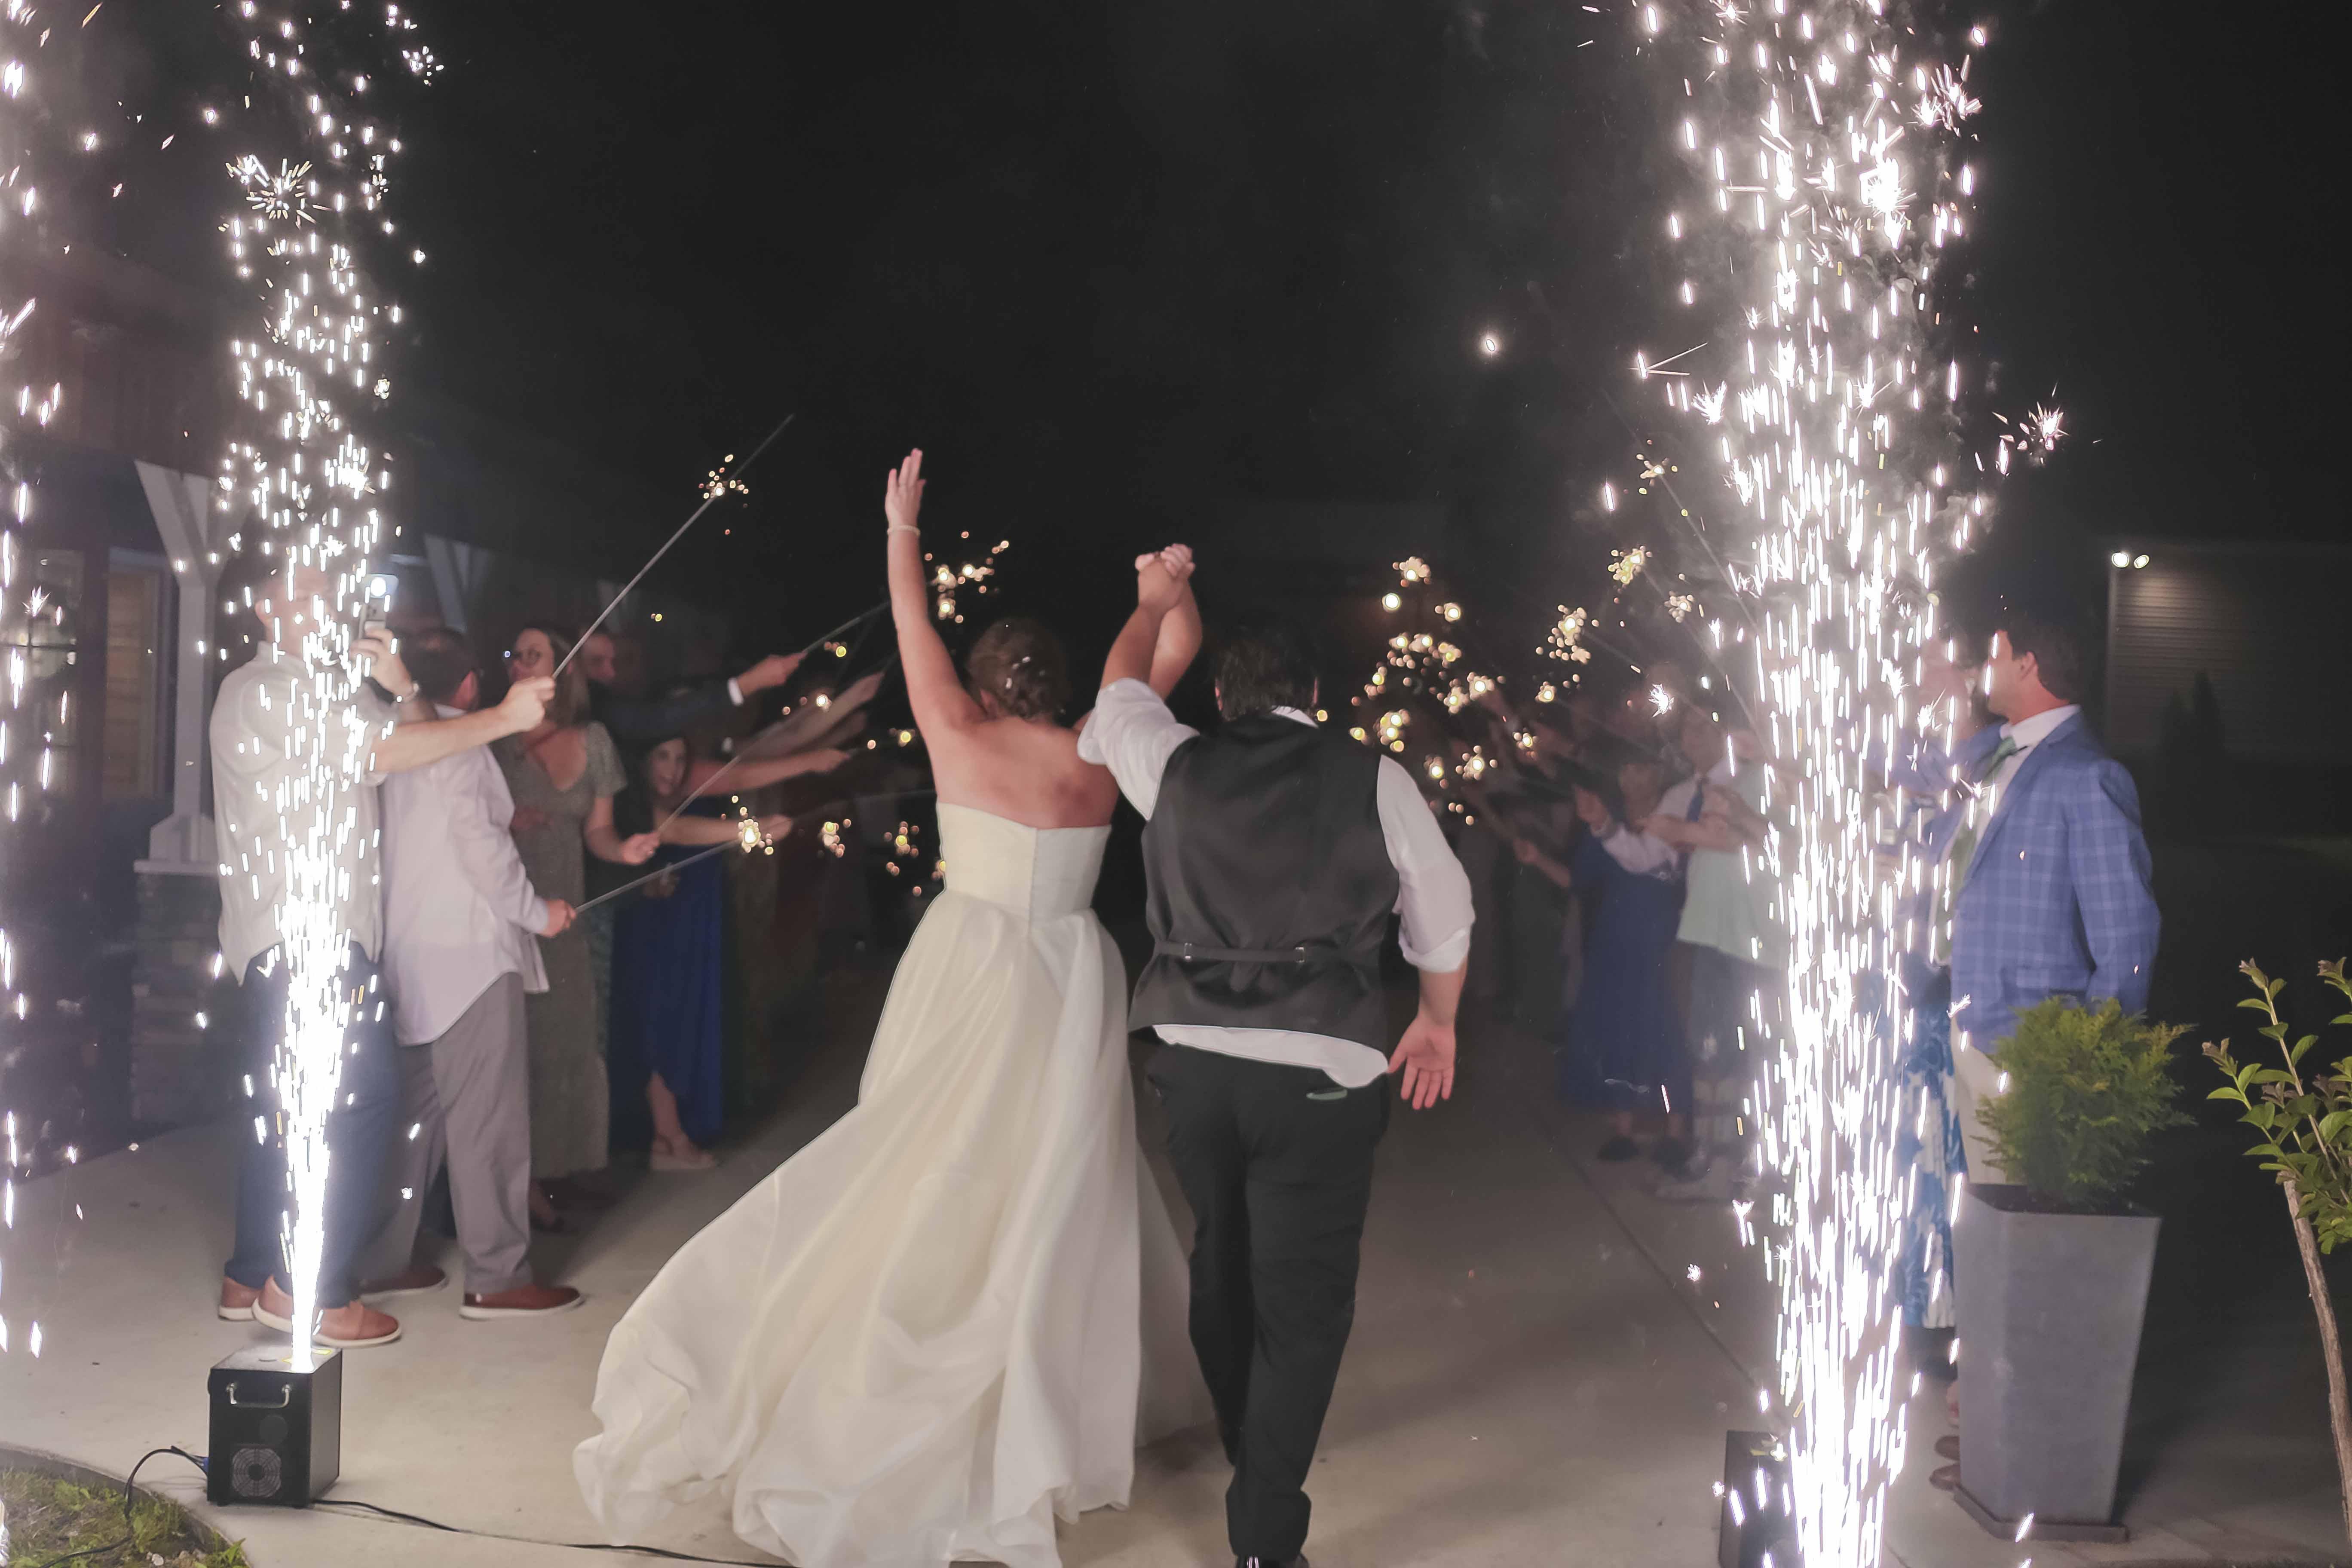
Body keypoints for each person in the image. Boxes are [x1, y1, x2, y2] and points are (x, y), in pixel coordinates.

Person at [577, 450, 1207, 1566]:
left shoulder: (957, 731)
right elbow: (1175, 654)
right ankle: (1035, 1397)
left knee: (925, 1159)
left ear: (987, 685)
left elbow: (913, 623)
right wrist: (1170, 590)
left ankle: (905, 1335)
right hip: (1068, 977)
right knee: (1051, 1186)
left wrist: (899, 526)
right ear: (1060, 687)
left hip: (970, 965)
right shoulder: (1102, 751)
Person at [1081, 564, 1475, 1568]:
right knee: (1303, 1301)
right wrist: (1436, 1020)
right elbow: (1442, 910)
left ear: (1221, 697)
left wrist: (1153, 600)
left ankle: (1249, 1445)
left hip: (1197, 1067)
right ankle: (1262, 1531)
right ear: (1315, 695)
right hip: (1322, 1069)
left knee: (1223, 1264)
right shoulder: (1372, 776)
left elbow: (1117, 693)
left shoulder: (1172, 762)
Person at [211, 552, 554, 1349]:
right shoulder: (267, 689)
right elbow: (380, 755)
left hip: (299, 935)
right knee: (357, 1099)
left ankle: (250, 1273)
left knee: (290, 1108)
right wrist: (505, 718)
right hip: (311, 932)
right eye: (310, 592)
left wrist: (400, 686)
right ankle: (313, 1293)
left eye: (331, 590)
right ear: (265, 608)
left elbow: (422, 747)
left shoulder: (324, 689)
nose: (330, 603)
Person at [359, 627, 585, 1320]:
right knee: (490, 1124)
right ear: (467, 687)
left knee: (411, 1125)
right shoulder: (464, 742)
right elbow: (479, 847)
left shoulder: (392, 737)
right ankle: (498, 1276)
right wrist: (537, 914)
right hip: (470, 957)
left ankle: (378, 1261)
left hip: (406, 954)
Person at [1930, 601, 2159, 1185]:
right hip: (1959, 1025)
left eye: (1994, 655)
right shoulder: (1990, 757)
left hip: (2029, 1047)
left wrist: (2083, 1060)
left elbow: (2126, 939)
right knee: (1969, 1213)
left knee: (2017, 1214)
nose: (1981, 668)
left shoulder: (2086, 776)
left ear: (2027, 665)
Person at [606, 730, 844, 1170]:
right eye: (662, 757)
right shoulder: (632, 799)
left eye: (680, 758)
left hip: (690, 919)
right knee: (659, 1023)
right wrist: (752, 828)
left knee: (683, 1019)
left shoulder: (693, 781)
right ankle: (667, 1136)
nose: (673, 769)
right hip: (655, 923)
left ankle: (672, 1133)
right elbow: (674, 828)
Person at [495, 626, 658, 1230]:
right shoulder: (494, 736)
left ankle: (566, 1165)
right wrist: (504, 818)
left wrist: (627, 851)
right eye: (516, 654)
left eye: (533, 654)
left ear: (563, 669)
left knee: (570, 1036)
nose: (519, 663)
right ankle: (523, 1182)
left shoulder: (594, 739)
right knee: (516, 1044)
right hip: (506, 904)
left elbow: (599, 832)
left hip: (567, 906)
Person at [1524, 756, 1693, 1167]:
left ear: (1658, 772)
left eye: (1641, 768)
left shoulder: (1676, 819)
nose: (1633, 778)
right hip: (1614, 943)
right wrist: (1536, 859)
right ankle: (1624, 1129)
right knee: (1620, 1030)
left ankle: (1676, 1132)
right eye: (1626, 770)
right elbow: (1577, 881)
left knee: (1666, 1029)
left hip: (1662, 942)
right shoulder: (1605, 822)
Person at [1648, 705, 1784, 1197]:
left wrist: (1690, 831)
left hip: (1759, 937)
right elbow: (1714, 834)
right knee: (1710, 1050)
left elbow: (1774, 845)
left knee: (1756, 1056)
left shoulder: (1784, 781)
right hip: (1714, 931)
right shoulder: (1735, 779)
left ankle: (1752, 1163)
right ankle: (1711, 1156)